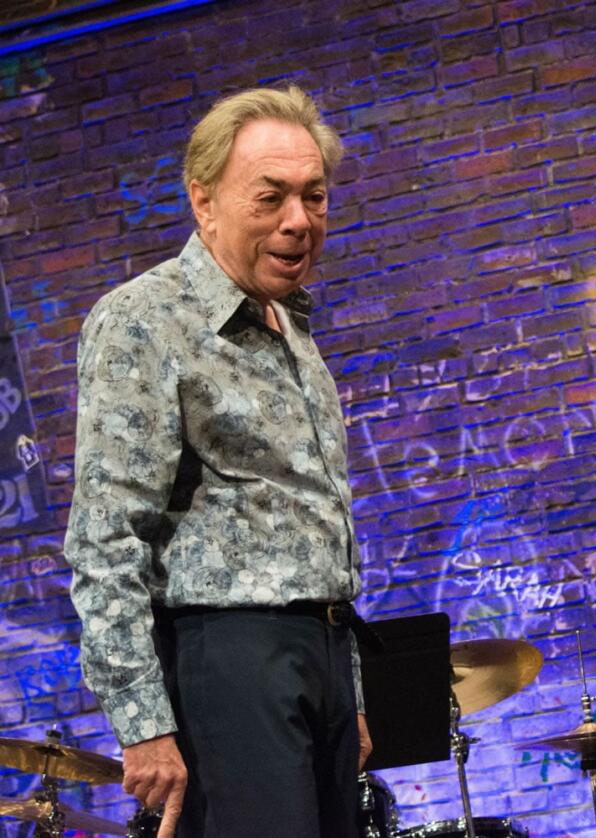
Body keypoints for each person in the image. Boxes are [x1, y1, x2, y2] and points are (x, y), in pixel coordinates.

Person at [64, 86, 371, 838]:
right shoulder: (145, 320)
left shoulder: (291, 327)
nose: (298, 221)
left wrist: (349, 691)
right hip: (231, 663)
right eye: (270, 198)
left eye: (314, 197)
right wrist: (141, 722)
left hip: (320, 657)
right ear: (203, 201)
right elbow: (105, 537)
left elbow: (313, 519)